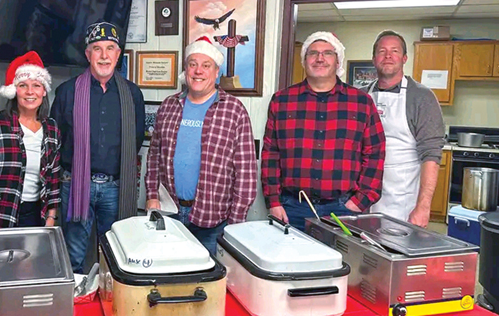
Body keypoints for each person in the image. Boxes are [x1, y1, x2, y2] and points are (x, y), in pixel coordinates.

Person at [262, 31, 386, 231]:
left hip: (343, 210)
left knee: (342, 263)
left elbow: (375, 153)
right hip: (292, 208)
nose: (320, 58)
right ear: (304, 61)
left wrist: (359, 202)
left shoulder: (361, 102)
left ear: (338, 62)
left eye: (327, 53)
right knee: (292, 262)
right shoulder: (282, 101)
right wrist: (274, 201)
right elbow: (271, 154)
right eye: (313, 53)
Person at [145, 36, 258, 254]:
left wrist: (234, 223)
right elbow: (154, 156)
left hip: (214, 222)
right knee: (169, 279)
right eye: (193, 64)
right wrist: (151, 196)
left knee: (209, 285)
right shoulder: (169, 105)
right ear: (186, 69)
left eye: (206, 65)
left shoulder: (234, 111)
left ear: (216, 73)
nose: (198, 71)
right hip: (169, 214)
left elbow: (246, 174)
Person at [50, 21, 145, 274]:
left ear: (118, 54)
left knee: (117, 255)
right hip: (75, 185)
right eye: (97, 48)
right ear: (87, 54)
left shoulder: (132, 95)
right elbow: (55, 142)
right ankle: (77, 305)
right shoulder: (67, 92)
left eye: (110, 48)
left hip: (116, 188)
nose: (104, 55)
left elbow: (135, 141)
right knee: (74, 255)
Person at [365, 30, 446, 227]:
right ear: (374, 59)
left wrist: (423, 207)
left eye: (394, 51)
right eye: (382, 51)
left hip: (403, 199)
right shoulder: (362, 96)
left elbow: (431, 156)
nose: (388, 56)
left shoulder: (422, 97)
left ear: (404, 58)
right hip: (364, 197)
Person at [0, 51, 61, 228]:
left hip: (37, 214)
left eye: (36, 85)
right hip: (0, 214)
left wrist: (51, 218)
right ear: (15, 91)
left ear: (44, 91)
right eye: (23, 85)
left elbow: (53, 179)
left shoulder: (52, 128)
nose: (30, 92)